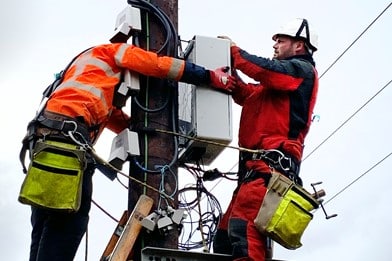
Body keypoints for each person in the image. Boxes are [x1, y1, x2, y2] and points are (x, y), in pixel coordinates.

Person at [21, 42, 234, 261]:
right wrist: (208, 76)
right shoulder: (115, 51)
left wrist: (151, 133)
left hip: (45, 141)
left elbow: (113, 116)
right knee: (68, 222)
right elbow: (158, 65)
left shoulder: (87, 70)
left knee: (45, 223)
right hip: (67, 142)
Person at [211, 18, 319, 260]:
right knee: (224, 236)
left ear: (299, 45)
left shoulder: (300, 71)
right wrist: (228, 74)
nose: (275, 44)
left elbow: (264, 69)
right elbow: (247, 94)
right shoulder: (272, 88)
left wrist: (234, 51)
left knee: (244, 230)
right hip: (253, 173)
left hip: (270, 171)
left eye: (281, 40)